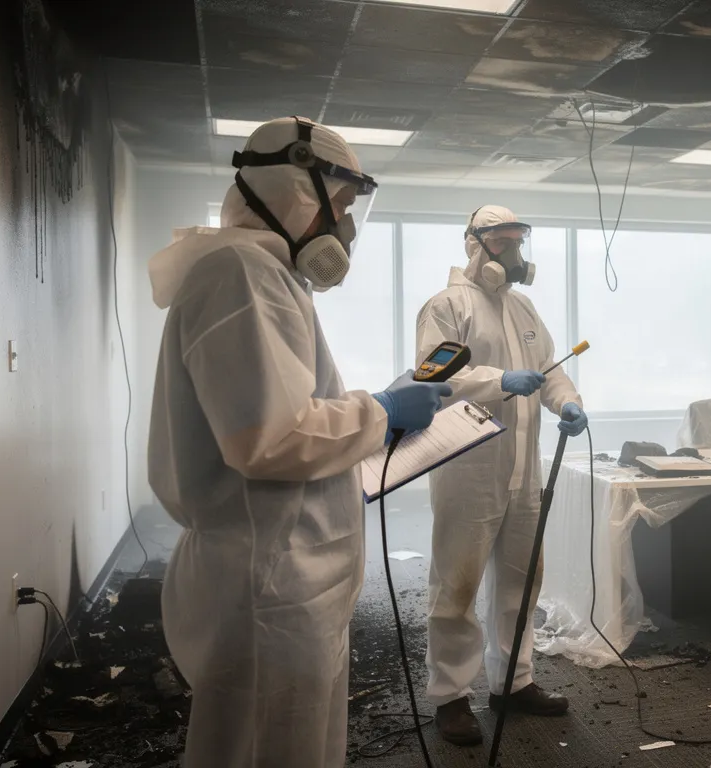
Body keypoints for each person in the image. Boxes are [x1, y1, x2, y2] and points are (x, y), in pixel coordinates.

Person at [147, 116, 451, 768]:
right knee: (271, 752)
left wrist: (371, 407)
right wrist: (383, 411)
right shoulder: (240, 274)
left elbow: (278, 413)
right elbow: (269, 438)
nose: (342, 228)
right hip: (272, 586)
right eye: (337, 206)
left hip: (280, 578)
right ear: (293, 191)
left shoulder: (260, 276)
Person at [415, 205, 589, 746]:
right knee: (457, 585)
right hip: (468, 468)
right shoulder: (446, 306)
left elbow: (552, 372)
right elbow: (435, 375)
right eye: (504, 241)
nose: (515, 252)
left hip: (522, 471)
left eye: (519, 239)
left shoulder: (524, 307)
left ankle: (513, 683)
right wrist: (499, 381)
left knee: (520, 580)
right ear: (477, 245)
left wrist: (568, 402)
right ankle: (450, 697)